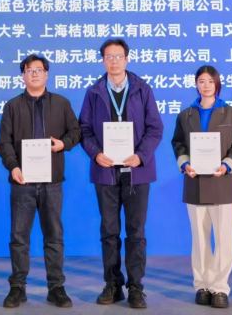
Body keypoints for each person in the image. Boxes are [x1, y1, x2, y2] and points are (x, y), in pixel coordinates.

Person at [79, 38, 164, 309]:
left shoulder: (143, 89)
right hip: (106, 171)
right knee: (109, 231)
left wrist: (141, 155)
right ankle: (112, 285)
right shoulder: (94, 92)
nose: (114, 61)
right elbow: (84, 129)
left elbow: (155, 128)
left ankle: (136, 287)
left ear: (127, 59)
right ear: (103, 60)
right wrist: (96, 154)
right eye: (109, 57)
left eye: (118, 56)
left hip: (137, 171)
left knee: (136, 231)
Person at [0, 54, 82, 308]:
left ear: (47, 74)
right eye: (29, 70)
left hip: (52, 181)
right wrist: (13, 167)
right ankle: (17, 287)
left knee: (54, 236)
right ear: (22, 75)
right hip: (22, 181)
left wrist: (63, 144)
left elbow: (76, 132)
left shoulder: (61, 103)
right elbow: (4, 143)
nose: (34, 74)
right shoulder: (12, 106)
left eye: (39, 69)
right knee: (19, 237)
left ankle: (56, 287)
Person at [171, 65, 232, 309]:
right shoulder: (186, 115)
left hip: (222, 182)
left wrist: (226, 165)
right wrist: (185, 164)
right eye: (201, 81)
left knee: (224, 240)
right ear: (196, 84)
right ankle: (202, 285)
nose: (206, 85)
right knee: (200, 240)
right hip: (195, 182)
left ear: (217, 84)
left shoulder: (231, 113)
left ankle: (220, 288)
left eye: (210, 81)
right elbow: (178, 144)